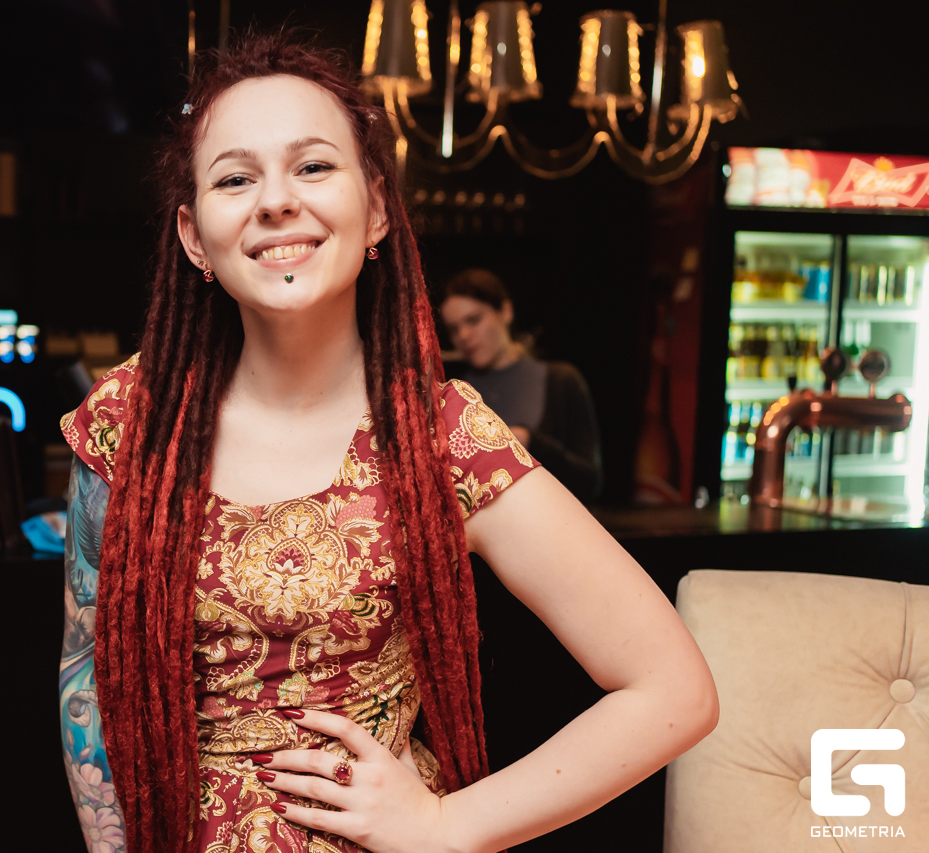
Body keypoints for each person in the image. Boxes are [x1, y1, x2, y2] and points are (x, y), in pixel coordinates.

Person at [58, 33, 718, 853]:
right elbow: (86, 672)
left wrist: (448, 822)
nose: (275, 201)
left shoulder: (439, 437)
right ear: (195, 237)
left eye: (312, 166)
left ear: (375, 208)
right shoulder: (132, 421)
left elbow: (675, 689)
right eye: (235, 178)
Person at [439, 269, 603, 503]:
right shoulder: (452, 393)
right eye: (453, 329)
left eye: (473, 320)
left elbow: (590, 481)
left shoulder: (560, 381)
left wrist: (530, 442)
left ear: (505, 311)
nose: (463, 335)